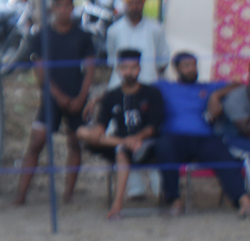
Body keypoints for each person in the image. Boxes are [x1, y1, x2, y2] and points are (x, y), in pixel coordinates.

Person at [13, 0, 96, 206]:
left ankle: (68, 194)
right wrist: (58, 96)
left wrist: (81, 97)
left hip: (77, 97)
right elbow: (39, 70)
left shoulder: (83, 37)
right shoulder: (41, 36)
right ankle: (21, 195)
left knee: (75, 143)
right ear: (53, 8)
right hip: (51, 98)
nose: (64, 10)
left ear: (72, 7)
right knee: (36, 143)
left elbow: (90, 69)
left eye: (68, 5)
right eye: (59, 6)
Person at [156, 52, 250, 218]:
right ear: (176, 69)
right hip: (174, 136)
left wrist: (216, 95)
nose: (192, 69)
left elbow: (238, 85)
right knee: (164, 148)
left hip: (203, 137)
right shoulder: (165, 86)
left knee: (224, 155)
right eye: (187, 66)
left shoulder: (207, 87)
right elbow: (137, 89)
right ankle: (174, 201)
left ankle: (243, 201)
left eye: (194, 65)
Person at [77, 50, 165, 219]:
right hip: (119, 141)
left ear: (139, 69)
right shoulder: (112, 95)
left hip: (146, 143)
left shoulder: (152, 93)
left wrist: (137, 138)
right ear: (118, 70)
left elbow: (153, 127)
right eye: (124, 68)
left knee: (121, 152)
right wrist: (97, 131)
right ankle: (123, 143)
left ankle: (117, 204)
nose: (128, 72)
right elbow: (102, 124)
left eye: (133, 68)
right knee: (81, 132)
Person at [104, 0, 169, 85]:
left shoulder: (156, 28)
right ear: (125, 4)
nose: (135, 6)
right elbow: (112, 61)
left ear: (143, 4)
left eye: (138, 2)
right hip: (120, 84)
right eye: (131, 3)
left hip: (149, 83)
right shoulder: (114, 30)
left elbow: (163, 61)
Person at [209, 78, 250, 158]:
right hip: (230, 138)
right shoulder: (235, 100)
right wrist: (215, 96)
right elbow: (246, 129)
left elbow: (237, 84)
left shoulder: (240, 87)